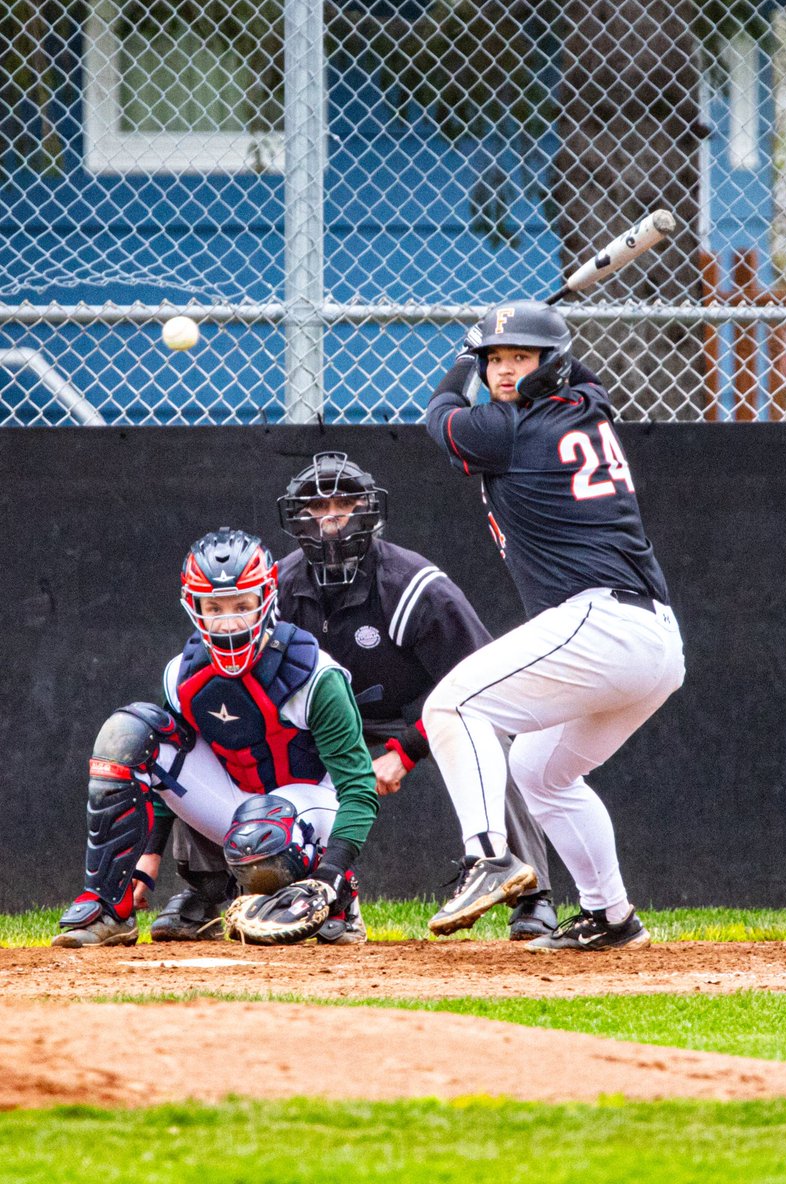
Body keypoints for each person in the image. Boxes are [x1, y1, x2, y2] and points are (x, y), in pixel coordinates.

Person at [152, 452, 558, 942]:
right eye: (315, 510)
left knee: (493, 737)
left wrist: (407, 749)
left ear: (370, 512)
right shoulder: (272, 584)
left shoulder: (414, 586)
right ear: (295, 518)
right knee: (218, 730)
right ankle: (209, 889)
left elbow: (485, 683)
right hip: (316, 718)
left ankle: (532, 895)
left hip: (419, 717)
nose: (329, 522)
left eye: (343, 507)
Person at [423, 300, 685, 951]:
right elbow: (580, 373)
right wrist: (524, 338)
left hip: (600, 621)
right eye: (496, 360)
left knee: (452, 706)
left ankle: (490, 856)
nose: (505, 372)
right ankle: (611, 916)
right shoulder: (589, 402)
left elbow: (437, 417)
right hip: (652, 640)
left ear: (552, 364)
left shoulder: (508, 428)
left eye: (521, 358)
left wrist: (464, 354)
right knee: (540, 770)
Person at [52, 527, 379, 948]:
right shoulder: (182, 677)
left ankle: (340, 901)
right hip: (237, 807)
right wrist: (145, 862)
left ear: (266, 601)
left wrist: (334, 870)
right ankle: (113, 906)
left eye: (242, 605)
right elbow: (160, 776)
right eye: (214, 607)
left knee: (260, 829)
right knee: (130, 734)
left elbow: (359, 790)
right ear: (194, 607)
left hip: (311, 807)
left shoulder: (315, 676)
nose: (228, 621)